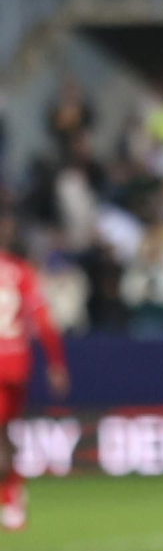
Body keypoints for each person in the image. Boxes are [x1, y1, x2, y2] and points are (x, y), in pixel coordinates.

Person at [0, 213, 71, 532]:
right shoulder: (22, 273)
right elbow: (43, 321)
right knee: (4, 433)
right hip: (16, 365)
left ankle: (11, 495)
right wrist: (56, 363)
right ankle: (13, 493)